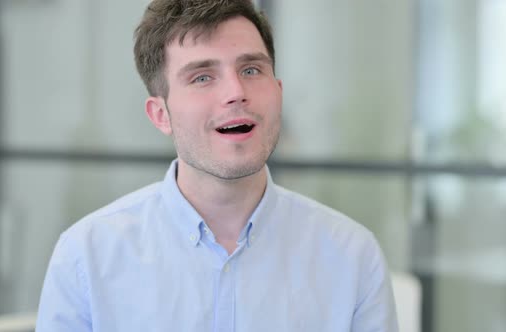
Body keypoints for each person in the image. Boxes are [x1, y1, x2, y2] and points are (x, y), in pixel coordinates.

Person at [36, 0, 399, 331]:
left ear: (278, 90)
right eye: (202, 77)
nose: (235, 92)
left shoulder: (352, 256)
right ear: (161, 114)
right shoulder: (86, 257)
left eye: (252, 70)